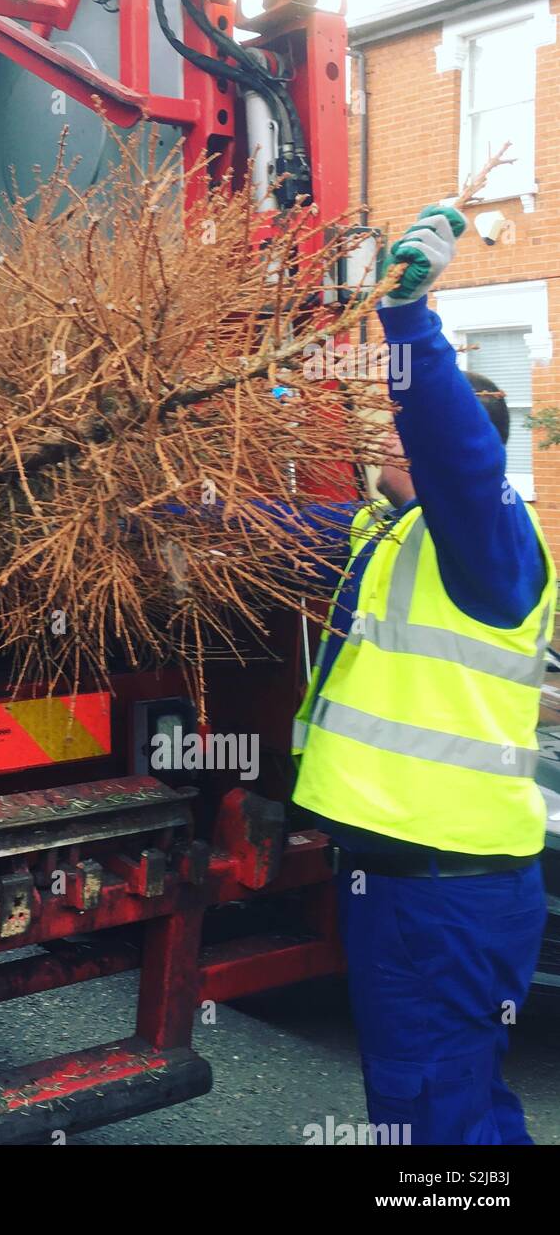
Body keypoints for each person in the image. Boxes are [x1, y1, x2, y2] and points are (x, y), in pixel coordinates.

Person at [291, 204, 555, 1145]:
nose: (381, 439)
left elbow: (455, 451)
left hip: (447, 887)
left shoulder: (490, 543)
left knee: (429, 1110)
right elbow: (278, 531)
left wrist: (408, 323)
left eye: (403, 430)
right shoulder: (393, 533)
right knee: (459, 1099)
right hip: (411, 879)